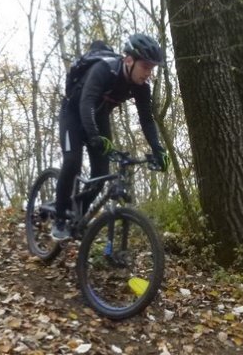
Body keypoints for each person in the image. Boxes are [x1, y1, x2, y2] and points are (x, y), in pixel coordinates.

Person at [51, 33, 170, 240]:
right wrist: (95, 137)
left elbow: (147, 120)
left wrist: (158, 148)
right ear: (129, 60)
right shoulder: (104, 70)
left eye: (152, 69)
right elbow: (85, 103)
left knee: (101, 173)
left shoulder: (142, 87)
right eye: (145, 67)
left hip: (98, 117)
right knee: (72, 161)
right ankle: (59, 218)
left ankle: (77, 213)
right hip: (73, 114)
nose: (148, 74)